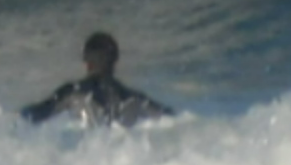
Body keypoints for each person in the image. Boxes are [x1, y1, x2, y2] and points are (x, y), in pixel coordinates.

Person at [20, 32, 175, 128]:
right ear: (116, 60)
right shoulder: (134, 97)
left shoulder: (73, 93)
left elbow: (36, 115)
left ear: (87, 61)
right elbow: (171, 116)